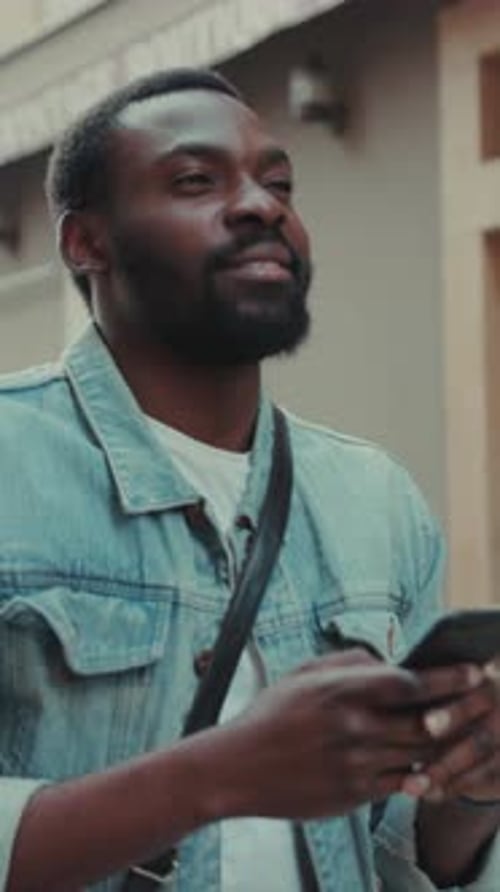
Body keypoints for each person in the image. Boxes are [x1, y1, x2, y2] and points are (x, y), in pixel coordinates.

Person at [1, 67, 500, 892]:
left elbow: (405, 849)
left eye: (279, 184)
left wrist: (474, 788)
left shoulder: (374, 499)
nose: (262, 206)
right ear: (85, 242)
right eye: (196, 180)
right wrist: (213, 777)